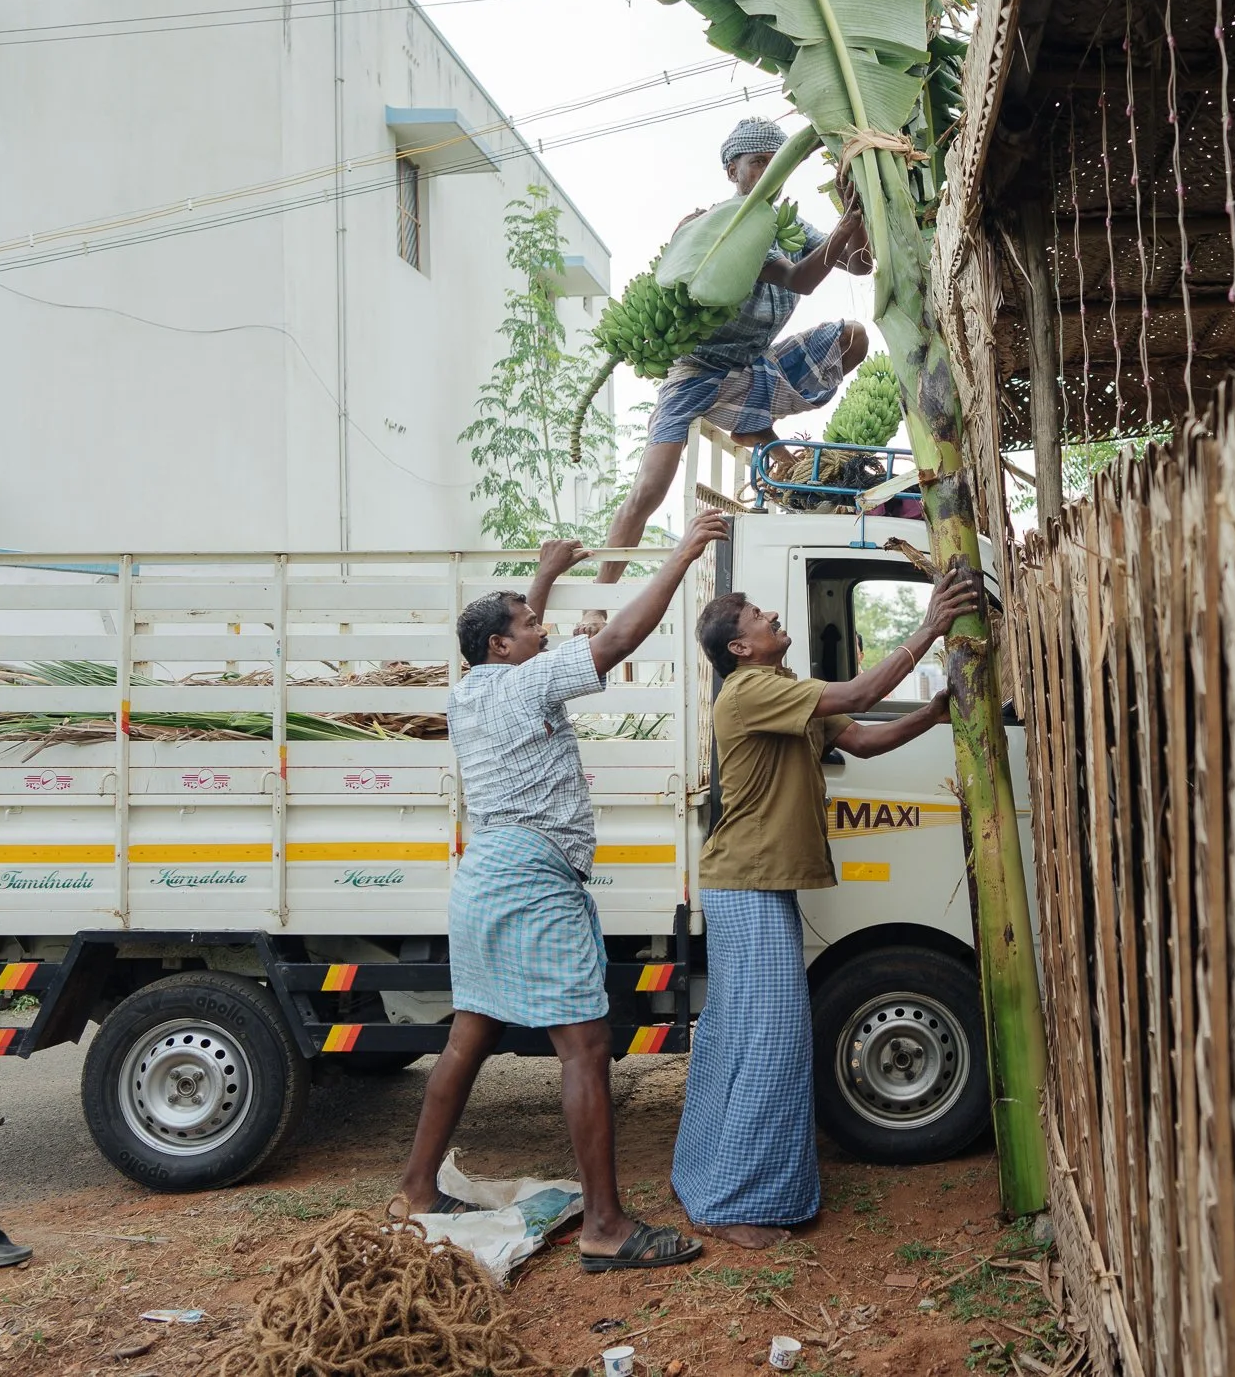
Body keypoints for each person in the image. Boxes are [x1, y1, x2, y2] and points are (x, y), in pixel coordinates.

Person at [390, 512, 730, 1273]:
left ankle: (415, 1189)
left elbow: (521, 641)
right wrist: (682, 555)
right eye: (528, 624)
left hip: (484, 877)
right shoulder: (526, 680)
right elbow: (621, 638)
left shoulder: (467, 693)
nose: (541, 629)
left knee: (468, 1036)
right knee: (586, 1045)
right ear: (500, 646)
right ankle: (604, 1225)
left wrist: (541, 577)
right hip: (533, 881)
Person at [671, 565, 984, 1249]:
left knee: (742, 1037)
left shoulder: (781, 686)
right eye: (756, 614)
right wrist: (930, 626)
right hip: (746, 885)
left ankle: (710, 1179)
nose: (770, 615)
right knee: (770, 1042)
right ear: (739, 648)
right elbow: (865, 691)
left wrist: (933, 713)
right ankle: (733, 1201)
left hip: (756, 884)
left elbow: (863, 738)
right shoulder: (749, 691)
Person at [598, 118, 874, 583]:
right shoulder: (724, 226)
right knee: (650, 487)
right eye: (758, 163)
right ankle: (601, 593)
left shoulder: (788, 225)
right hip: (699, 369)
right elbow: (798, 279)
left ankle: (753, 424)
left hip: (754, 366)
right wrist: (844, 226)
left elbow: (860, 265)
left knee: (854, 337)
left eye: (777, 163)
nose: (769, 172)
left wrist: (856, 217)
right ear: (733, 171)